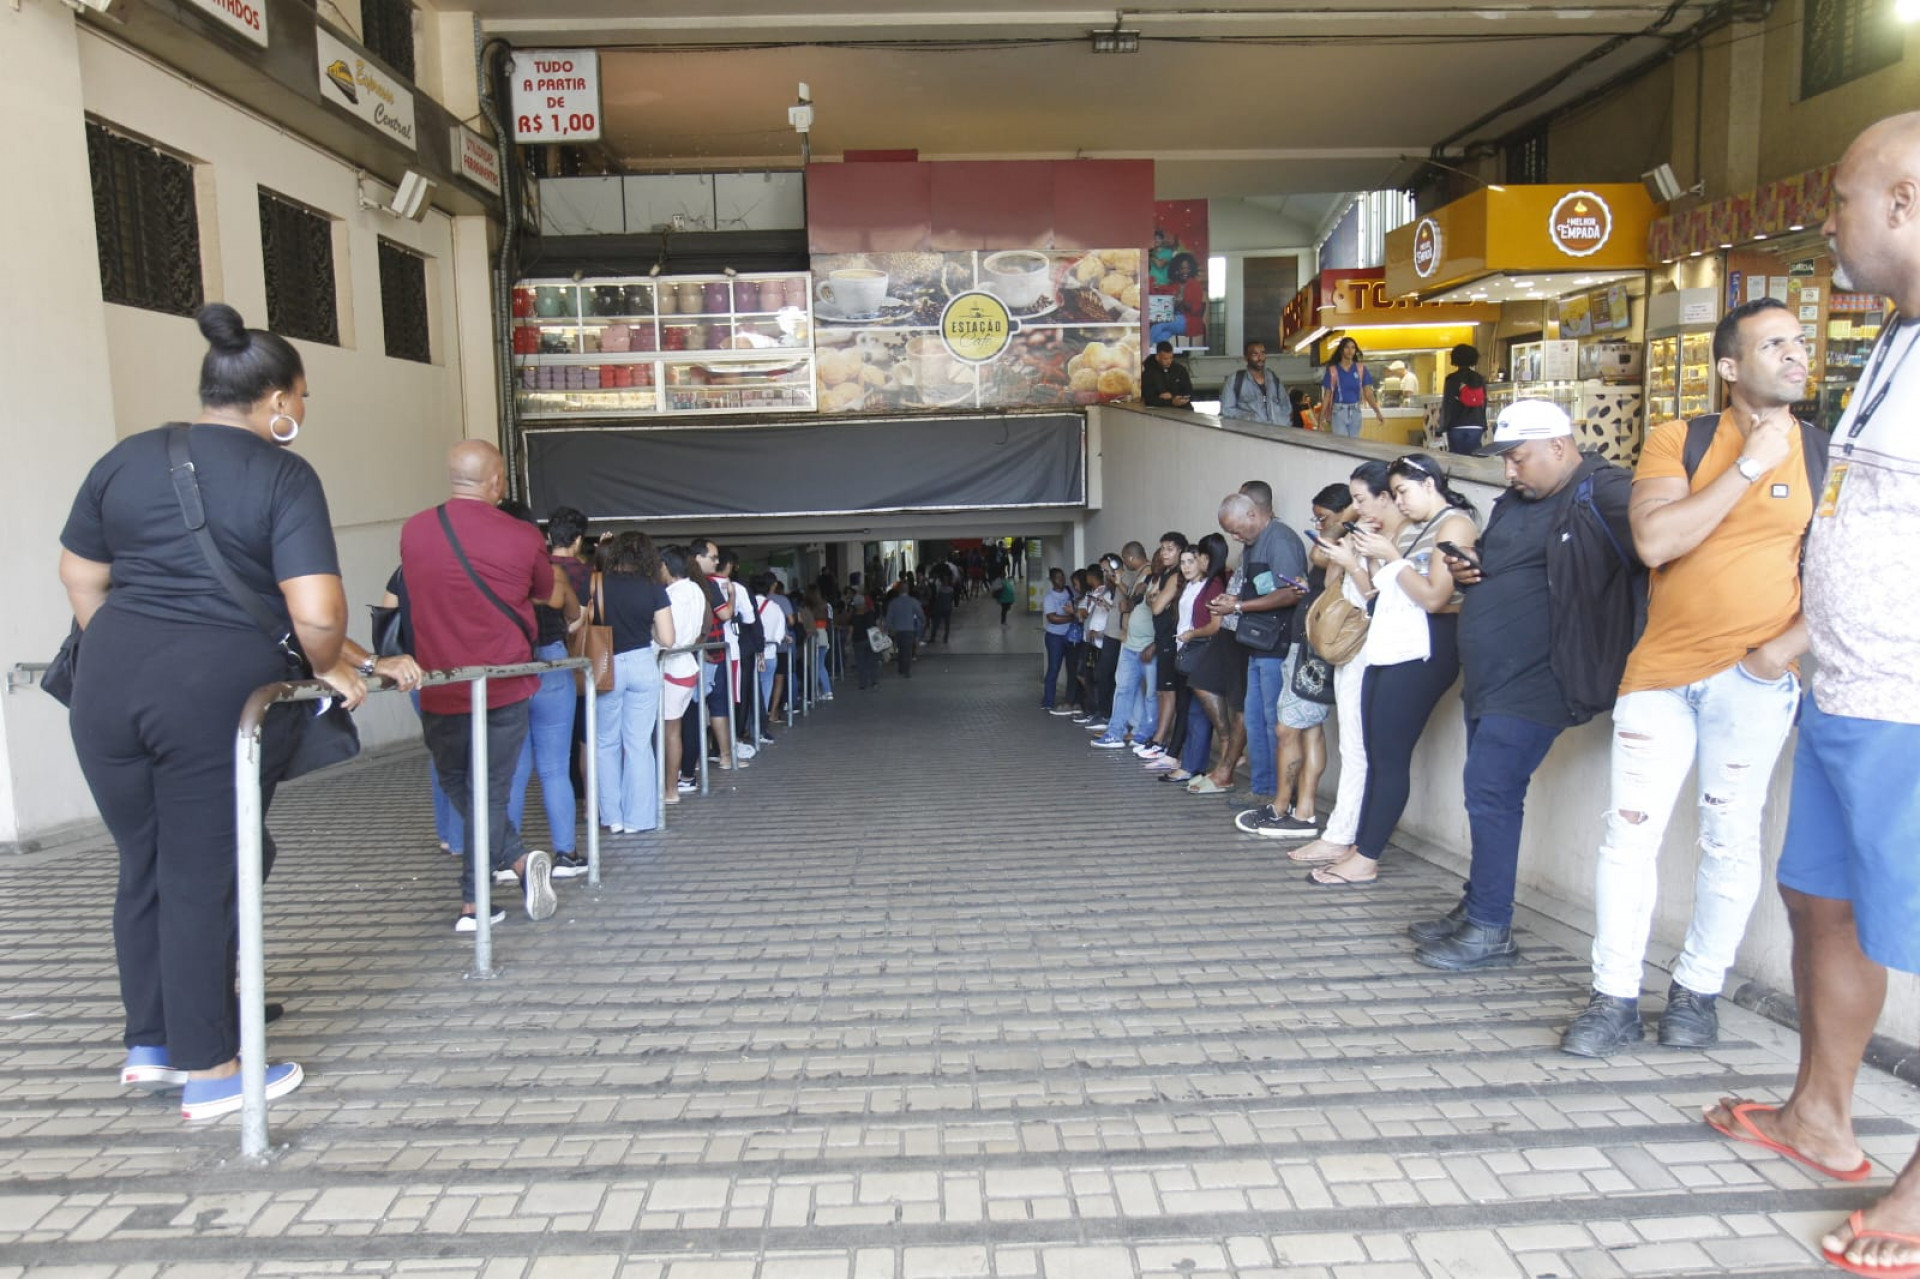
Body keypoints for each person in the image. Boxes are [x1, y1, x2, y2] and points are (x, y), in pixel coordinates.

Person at [63, 304, 418, 1120]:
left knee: (145, 865)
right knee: (204, 874)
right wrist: (330, 665)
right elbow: (319, 614)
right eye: (302, 397)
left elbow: (79, 575)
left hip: (105, 685)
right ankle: (216, 1069)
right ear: (279, 402)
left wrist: (131, 657)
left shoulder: (125, 458)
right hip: (210, 699)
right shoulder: (282, 475)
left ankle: (152, 1046)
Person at [1700, 112, 1920, 1279]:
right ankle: (1820, 1117)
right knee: (1817, 901)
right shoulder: (1895, 334)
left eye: (1840, 199)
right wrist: (1803, 638)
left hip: (1914, 707)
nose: (1824, 220)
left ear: (1904, 201)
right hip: (1847, 685)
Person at [1560, 295, 1823, 1057]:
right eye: (1775, 344)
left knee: (1729, 841)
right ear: (1730, 367)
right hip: (1660, 673)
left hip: (1754, 677)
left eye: (1799, 342)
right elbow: (1654, 540)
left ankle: (1697, 991)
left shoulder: (1820, 452)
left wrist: (1779, 652)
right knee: (1628, 837)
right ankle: (1611, 997)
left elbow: (1853, 574)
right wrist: (1748, 464)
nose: (1796, 354)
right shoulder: (1682, 438)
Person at [1412, 402, 1642, 969]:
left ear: (1560, 448)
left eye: (1519, 460)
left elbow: (1662, 543)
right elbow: (1500, 562)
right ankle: (1477, 908)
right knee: (1483, 793)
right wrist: (1471, 567)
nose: (1510, 473)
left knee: (1491, 791)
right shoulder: (1518, 501)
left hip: (1542, 675)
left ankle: (1492, 928)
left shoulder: (1606, 493)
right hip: (1491, 676)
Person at [401, 441, 561, 933]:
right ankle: (500, 874)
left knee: (457, 781)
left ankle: (490, 885)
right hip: (504, 682)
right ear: (496, 482)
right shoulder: (521, 536)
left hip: (440, 680)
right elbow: (542, 591)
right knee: (487, 790)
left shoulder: (414, 530)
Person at [1306, 455, 1477, 886]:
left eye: (1402, 491)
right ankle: (1359, 848)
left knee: (1388, 757)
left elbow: (1436, 598)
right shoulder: (1411, 529)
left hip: (1424, 648)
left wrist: (1391, 556)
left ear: (1429, 483)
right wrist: (1356, 564)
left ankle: (1367, 856)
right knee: (1376, 753)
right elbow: (1379, 599)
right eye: (1395, 493)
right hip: (1388, 645)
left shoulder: (1454, 524)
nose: (1398, 501)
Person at [1285, 463, 1405, 867]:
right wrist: (1350, 521)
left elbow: (1383, 595)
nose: (1354, 508)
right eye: (1351, 501)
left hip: (1370, 645)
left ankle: (1343, 836)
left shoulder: (1393, 536)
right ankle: (1346, 834)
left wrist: (1355, 560)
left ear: (1386, 496)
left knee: (1358, 748)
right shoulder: (1365, 531)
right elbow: (1321, 554)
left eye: (1360, 499)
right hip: (1351, 647)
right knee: (1352, 745)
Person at [1236, 484, 1353, 839]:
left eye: (1324, 518)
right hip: (1303, 642)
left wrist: (1341, 526)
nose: (1318, 527)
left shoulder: (1345, 546)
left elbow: (1330, 575)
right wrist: (1305, 587)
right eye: (1315, 519)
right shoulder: (1336, 544)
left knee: (1288, 728)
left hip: (1315, 648)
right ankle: (1299, 811)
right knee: (1308, 729)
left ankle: (1289, 811)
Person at [1207, 492, 1308, 817]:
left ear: (1253, 514)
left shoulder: (1280, 540)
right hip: (1255, 642)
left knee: (1273, 722)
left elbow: (1291, 593)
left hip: (1276, 644)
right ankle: (1262, 788)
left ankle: (1280, 794)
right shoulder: (1253, 544)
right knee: (1254, 718)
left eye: (1237, 530)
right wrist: (1231, 600)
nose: (1235, 538)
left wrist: (1238, 606)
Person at [503, 501, 586, 878]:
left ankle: (506, 857)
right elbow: (572, 616)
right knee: (554, 769)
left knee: (514, 770)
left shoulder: (492, 574)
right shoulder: (552, 574)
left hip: (508, 667)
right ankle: (566, 855)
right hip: (553, 666)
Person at [593, 532, 674, 835]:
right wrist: (649, 631)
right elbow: (667, 638)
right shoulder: (653, 587)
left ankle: (611, 816)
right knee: (639, 744)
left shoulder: (599, 584)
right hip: (641, 663)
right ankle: (638, 820)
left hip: (606, 664)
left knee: (606, 743)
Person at [1160, 535, 1229, 783]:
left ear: (1206, 559)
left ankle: (1193, 765)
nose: (1189, 564)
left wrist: (1192, 635)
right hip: (1189, 651)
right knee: (1192, 710)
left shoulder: (1214, 585)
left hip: (1203, 653)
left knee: (1198, 712)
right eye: (1185, 561)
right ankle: (1192, 764)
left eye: (1195, 558)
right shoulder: (1194, 585)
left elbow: (1214, 625)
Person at [1090, 544, 1157, 749]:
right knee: (1124, 689)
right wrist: (1119, 585)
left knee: (1151, 693)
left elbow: (1136, 598)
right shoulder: (1139, 575)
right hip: (1130, 642)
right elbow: (1132, 596)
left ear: (1128, 558)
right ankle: (1116, 732)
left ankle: (1146, 735)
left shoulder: (1149, 575)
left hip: (1147, 643)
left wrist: (1127, 599)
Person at [659, 545, 707, 803]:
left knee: (670, 732)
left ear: (666, 566)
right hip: (688, 664)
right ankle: (672, 786)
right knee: (675, 729)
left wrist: (653, 636)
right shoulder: (696, 590)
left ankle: (670, 789)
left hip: (671, 666)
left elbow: (669, 639)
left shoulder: (671, 596)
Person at [1319, 337, 1386, 438]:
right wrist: (1321, 418)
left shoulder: (1360, 369)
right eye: (1347, 347)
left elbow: (1368, 393)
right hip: (1339, 411)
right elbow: (1327, 396)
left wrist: (1377, 412)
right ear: (1341, 350)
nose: (1350, 351)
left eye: (1353, 348)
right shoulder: (1333, 371)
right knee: (1342, 444)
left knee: (1354, 444)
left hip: (1355, 411)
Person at [1218, 341, 1289, 425]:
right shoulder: (1235, 380)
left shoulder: (1273, 379)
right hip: (1251, 435)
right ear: (1246, 357)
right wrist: (1250, 418)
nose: (1260, 358)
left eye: (1262, 353)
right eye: (1255, 354)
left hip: (1277, 434)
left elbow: (1286, 408)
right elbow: (1226, 411)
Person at [1440, 344, 1490, 455]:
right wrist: (1483, 424)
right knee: (1473, 458)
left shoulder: (1451, 379)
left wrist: (1442, 427)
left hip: (1456, 425)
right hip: (1476, 424)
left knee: (1457, 459)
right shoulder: (1479, 378)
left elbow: (1447, 403)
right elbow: (1483, 402)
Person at [1040, 567, 1076, 710]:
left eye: (1062, 577)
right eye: (1057, 578)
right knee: (1054, 669)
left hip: (1071, 637)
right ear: (1051, 580)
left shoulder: (1070, 592)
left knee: (1072, 670)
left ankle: (1070, 700)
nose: (1061, 580)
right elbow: (1052, 618)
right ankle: (1048, 701)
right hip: (1054, 638)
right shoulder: (1049, 598)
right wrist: (1072, 617)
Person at [884, 583, 926, 677]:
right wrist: (923, 621)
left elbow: (889, 617)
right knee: (907, 650)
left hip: (897, 629)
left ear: (899, 590)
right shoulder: (913, 601)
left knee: (900, 648)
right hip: (909, 629)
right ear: (908, 590)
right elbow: (920, 613)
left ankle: (901, 668)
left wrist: (887, 628)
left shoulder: (893, 602)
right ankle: (906, 670)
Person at [1141, 341, 1195, 410]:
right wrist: (1171, 402)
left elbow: (1190, 392)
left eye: (1171, 358)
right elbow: (1149, 399)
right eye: (1165, 359)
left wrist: (1174, 397)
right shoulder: (1148, 373)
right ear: (1157, 357)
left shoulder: (1180, 370)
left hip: (1183, 410)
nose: (1169, 361)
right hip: (1160, 412)